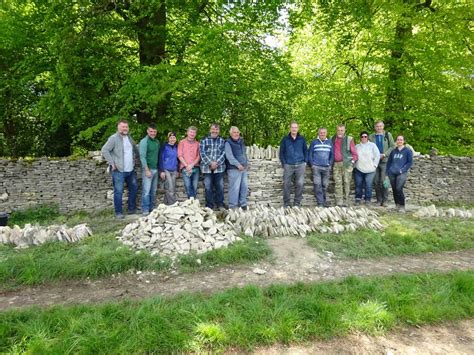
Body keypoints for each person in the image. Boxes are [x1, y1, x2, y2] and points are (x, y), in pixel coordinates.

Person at [101, 119, 139, 218]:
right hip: (119, 170)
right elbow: (104, 150)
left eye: (126, 127)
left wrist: (139, 158)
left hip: (130, 170)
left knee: (134, 188)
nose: (125, 128)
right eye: (123, 127)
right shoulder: (113, 138)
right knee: (118, 191)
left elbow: (135, 149)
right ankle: (118, 212)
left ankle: (131, 209)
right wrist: (112, 163)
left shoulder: (129, 138)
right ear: (118, 127)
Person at [279, 121, 307, 208]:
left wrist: (305, 161)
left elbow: (306, 151)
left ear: (298, 128)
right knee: (286, 184)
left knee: (300, 183)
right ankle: (286, 203)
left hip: (300, 164)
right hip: (289, 165)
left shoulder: (302, 139)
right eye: (292, 127)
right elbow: (281, 152)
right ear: (290, 128)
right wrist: (284, 163)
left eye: (295, 127)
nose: (294, 129)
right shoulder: (285, 139)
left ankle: (296, 203)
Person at [200, 123, 226, 209]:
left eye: (217, 129)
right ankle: (209, 206)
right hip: (207, 168)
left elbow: (224, 153)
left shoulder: (222, 140)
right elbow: (202, 153)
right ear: (210, 130)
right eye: (213, 129)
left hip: (219, 168)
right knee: (208, 187)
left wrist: (216, 163)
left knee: (220, 186)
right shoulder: (204, 140)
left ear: (219, 131)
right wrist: (210, 163)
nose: (215, 131)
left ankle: (220, 204)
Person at [369, 121, 395, 206]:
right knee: (376, 181)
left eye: (380, 126)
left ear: (383, 127)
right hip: (375, 162)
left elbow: (392, 146)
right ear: (375, 127)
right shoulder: (371, 136)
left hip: (385, 161)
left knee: (385, 181)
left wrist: (385, 154)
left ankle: (385, 200)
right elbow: (368, 148)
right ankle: (378, 200)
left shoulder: (388, 135)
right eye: (377, 126)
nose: (379, 128)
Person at [331, 124, 358, 206]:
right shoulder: (332, 139)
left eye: (342, 130)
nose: (340, 132)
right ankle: (339, 202)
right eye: (338, 130)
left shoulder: (349, 139)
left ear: (345, 130)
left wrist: (352, 162)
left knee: (347, 182)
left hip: (347, 164)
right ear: (336, 130)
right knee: (337, 183)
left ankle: (346, 201)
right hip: (336, 164)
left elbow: (355, 154)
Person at [386, 135, 413, 212]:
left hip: (401, 173)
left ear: (403, 141)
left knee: (399, 188)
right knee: (394, 189)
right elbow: (389, 162)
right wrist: (388, 172)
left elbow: (409, 162)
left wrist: (403, 170)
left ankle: (402, 206)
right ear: (396, 141)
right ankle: (397, 205)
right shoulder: (393, 151)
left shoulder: (407, 151)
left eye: (401, 140)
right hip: (392, 173)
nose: (399, 141)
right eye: (398, 140)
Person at [308, 127, 333, 207]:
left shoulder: (329, 142)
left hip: (326, 167)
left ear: (326, 133)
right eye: (321, 132)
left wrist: (330, 164)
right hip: (316, 167)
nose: (322, 134)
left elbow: (332, 155)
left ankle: (323, 201)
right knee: (317, 184)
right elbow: (310, 154)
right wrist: (312, 165)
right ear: (318, 133)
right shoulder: (314, 142)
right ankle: (320, 203)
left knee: (325, 185)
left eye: (324, 132)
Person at [225, 126, 249, 210]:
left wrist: (246, 163)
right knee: (234, 189)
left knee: (244, 187)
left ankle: (243, 205)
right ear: (231, 133)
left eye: (237, 132)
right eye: (234, 132)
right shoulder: (228, 142)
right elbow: (229, 156)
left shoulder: (241, 141)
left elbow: (244, 153)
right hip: (234, 169)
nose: (236, 134)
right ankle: (233, 207)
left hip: (244, 168)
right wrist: (238, 165)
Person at [139, 123, 160, 216]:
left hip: (155, 169)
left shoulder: (157, 142)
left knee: (153, 190)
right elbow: (142, 157)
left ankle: (152, 208)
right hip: (148, 169)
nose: (153, 133)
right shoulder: (144, 141)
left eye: (154, 131)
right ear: (147, 131)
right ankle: (145, 210)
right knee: (146, 191)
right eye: (151, 131)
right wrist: (146, 170)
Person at [354, 131, 380, 206]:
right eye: (362, 136)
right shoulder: (357, 146)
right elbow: (354, 156)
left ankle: (367, 200)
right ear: (360, 138)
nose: (364, 138)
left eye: (365, 136)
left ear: (368, 137)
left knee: (368, 184)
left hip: (370, 170)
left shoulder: (372, 145)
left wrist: (375, 165)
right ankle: (358, 199)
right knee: (358, 184)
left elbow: (377, 155)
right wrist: (354, 165)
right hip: (359, 169)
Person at [178, 126, 201, 199]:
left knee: (194, 186)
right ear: (187, 132)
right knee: (188, 186)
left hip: (195, 167)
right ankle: (191, 203)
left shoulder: (198, 144)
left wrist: (191, 165)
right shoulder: (182, 142)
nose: (192, 134)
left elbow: (199, 156)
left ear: (196, 134)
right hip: (185, 168)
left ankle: (192, 203)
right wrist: (187, 166)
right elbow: (180, 155)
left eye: (194, 132)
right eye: (191, 132)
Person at [159, 132, 179, 205]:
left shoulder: (177, 147)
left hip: (174, 169)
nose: (172, 139)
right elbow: (160, 159)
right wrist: (161, 171)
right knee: (170, 187)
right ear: (168, 138)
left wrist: (178, 170)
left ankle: (166, 203)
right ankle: (173, 204)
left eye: (174, 137)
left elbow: (178, 159)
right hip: (166, 169)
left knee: (172, 188)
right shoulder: (164, 146)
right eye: (171, 138)